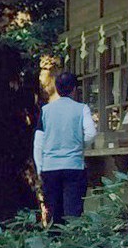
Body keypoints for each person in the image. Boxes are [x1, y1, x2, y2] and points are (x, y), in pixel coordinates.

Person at [33, 70, 98, 225]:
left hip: (50, 168)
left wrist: (40, 168)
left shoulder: (46, 111)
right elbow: (91, 133)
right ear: (74, 89)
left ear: (57, 88)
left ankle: (55, 243)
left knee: (55, 213)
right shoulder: (82, 109)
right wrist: (78, 145)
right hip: (74, 166)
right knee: (73, 212)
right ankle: (73, 243)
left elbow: (38, 142)